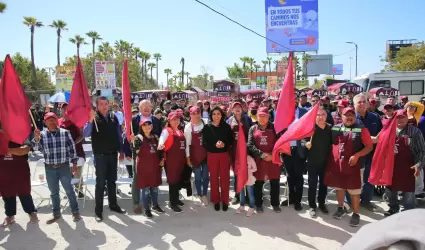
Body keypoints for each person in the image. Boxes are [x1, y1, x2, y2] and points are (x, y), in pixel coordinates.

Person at [324, 107, 373, 227]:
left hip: (355, 166)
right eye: (347, 115)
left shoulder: (362, 129)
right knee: (339, 188)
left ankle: (356, 214)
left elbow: (369, 146)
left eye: (352, 115)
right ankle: (340, 208)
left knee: (354, 191)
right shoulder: (335, 128)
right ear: (342, 116)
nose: (349, 117)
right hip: (338, 165)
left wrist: (357, 155)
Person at [32, 112, 82, 224]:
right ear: (45, 122)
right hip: (50, 169)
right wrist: (35, 138)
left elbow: (72, 149)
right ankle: (56, 214)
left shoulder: (65, 133)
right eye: (49, 120)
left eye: (53, 119)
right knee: (54, 192)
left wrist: (74, 164)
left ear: (57, 120)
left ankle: (75, 212)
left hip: (64, 167)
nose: (52, 121)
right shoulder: (42, 135)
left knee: (69, 190)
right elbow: (35, 148)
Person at [83, 97, 126, 222]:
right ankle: (98, 211)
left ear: (109, 105)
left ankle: (113, 205)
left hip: (113, 155)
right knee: (100, 184)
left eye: (106, 104)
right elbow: (85, 134)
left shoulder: (114, 118)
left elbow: (118, 135)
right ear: (97, 106)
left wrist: (121, 150)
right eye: (101, 104)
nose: (104, 106)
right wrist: (90, 120)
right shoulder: (94, 118)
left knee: (112, 182)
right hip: (100, 156)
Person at [384, 109, 425, 216]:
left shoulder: (415, 132)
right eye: (398, 117)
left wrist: (418, 165)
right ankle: (393, 208)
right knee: (390, 190)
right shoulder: (388, 130)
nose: (400, 120)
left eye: (403, 117)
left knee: (408, 192)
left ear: (407, 118)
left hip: (408, 166)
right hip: (391, 166)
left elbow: (421, 150)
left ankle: (408, 213)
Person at [0, 127, 38, 227]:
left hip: (20, 170)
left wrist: (7, 150)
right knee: (7, 194)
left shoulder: (19, 135)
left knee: (24, 192)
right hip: (4, 171)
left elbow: (25, 149)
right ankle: (10, 216)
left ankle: (32, 213)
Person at [247, 107, 281, 213]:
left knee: (275, 182)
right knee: (259, 183)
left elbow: (280, 143)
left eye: (264, 116)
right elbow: (250, 145)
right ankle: (258, 204)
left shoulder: (275, 128)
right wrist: (262, 154)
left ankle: (275, 204)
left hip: (273, 159)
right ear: (256, 117)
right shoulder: (253, 129)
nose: (262, 118)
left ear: (268, 116)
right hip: (259, 160)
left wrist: (272, 155)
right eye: (260, 116)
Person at [130, 119, 165, 218]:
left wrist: (162, 159)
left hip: (155, 167)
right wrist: (132, 143)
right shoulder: (138, 138)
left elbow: (160, 150)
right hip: (143, 168)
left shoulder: (156, 137)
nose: (147, 126)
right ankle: (147, 209)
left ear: (152, 126)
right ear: (141, 127)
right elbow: (134, 153)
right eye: (144, 125)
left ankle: (155, 205)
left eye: (149, 124)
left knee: (154, 188)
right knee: (145, 190)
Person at [354, 93, 382, 211]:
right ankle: (349, 201)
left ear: (368, 103)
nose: (362, 104)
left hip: (371, 154)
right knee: (353, 179)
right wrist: (371, 139)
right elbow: (348, 132)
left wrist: (378, 138)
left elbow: (382, 132)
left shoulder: (375, 117)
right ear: (354, 104)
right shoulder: (350, 117)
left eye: (364, 101)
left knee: (369, 178)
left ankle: (366, 201)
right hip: (355, 154)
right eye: (359, 102)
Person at [202, 107, 234, 211]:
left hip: (224, 155)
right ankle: (215, 200)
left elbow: (231, 141)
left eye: (218, 114)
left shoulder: (227, 127)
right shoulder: (207, 127)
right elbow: (204, 143)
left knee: (225, 179)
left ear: (222, 115)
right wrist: (214, 145)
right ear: (211, 115)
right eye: (214, 114)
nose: (216, 116)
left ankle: (225, 201)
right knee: (214, 179)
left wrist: (224, 145)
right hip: (212, 155)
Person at [281, 94, 309, 210]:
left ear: (297, 100)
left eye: (294, 99)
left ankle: (298, 200)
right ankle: (291, 197)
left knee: (298, 176)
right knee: (289, 176)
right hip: (287, 149)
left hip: (299, 149)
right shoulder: (282, 114)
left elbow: (308, 129)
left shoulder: (304, 112)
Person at [305, 107, 332, 218]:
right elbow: (302, 140)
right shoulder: (311, 128)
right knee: (312, 183)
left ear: (326, 116)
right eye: (318, 115)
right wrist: (306, 144)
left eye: (323, 115)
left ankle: (321, 203)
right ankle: (312, 205)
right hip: (312, 161)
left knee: (324, 184)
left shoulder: (330, 128)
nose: (320, 117)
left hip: (325, 161)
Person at [158, 112, 186, 213]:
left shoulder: (180, 131)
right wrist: (161, 144)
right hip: (171, 161)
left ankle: (177, 199)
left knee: (177, 181)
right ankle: (173, 203)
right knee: (172, 182)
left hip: (180, 160)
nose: (176, 121)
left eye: (177, 119)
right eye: (173, 119)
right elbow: (162, 139)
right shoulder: (167, 130)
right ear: (169, 121)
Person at [227, 102, 253, 205]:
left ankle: (247, 196)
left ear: (242, 109)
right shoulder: (229, 120)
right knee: (237, 173)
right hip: (234, 151)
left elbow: (252, 133)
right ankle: (237, 195)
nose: (237, 109)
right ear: (232, 110)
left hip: (246, 151)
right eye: (235, 107)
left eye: (239, 107)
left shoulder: (247, 119)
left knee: (247, 172)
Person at [58, 103, 85, 198]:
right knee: (66, 172)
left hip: (77, 151)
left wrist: (73, 143)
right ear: (61, 110)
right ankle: (69, 190)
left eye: (67, 108)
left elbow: (81, 135)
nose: (65, 110)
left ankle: (79, 189)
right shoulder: (59, 122)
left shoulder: (76, 121)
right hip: (64, 153)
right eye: (63, 108)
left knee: (77, 171)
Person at [184, 106, 209, 206]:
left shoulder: (206, 123)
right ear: (190, 115)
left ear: (200, 113)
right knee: (198, 177)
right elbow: (187, 145)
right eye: (193, 113)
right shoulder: (188, 127)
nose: (196, 115)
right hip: (194, 156)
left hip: (206, 155)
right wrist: (188, 158)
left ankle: (204, 194)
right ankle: (199, 194)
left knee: (206, 176)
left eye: (197, 113)